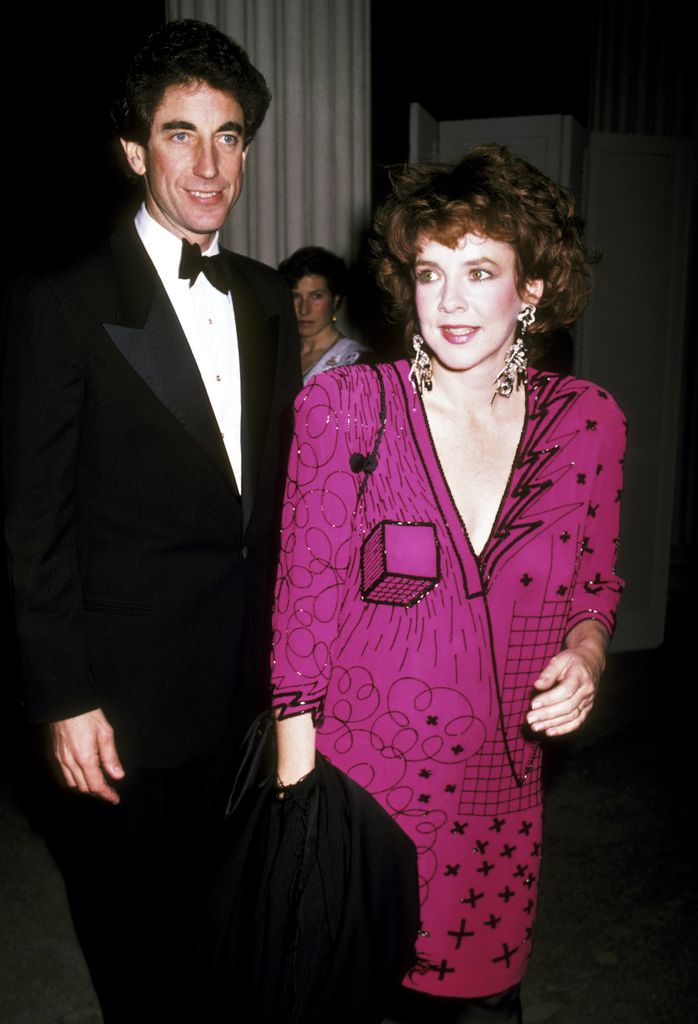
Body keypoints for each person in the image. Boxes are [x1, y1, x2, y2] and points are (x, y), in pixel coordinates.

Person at [270, 145, 626, 1023]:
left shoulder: (586, 425)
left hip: (497, 795)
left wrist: (588, 652)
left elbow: (594, 583)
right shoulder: (347, 409)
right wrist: (298, 805)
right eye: (431, 273)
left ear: (531, 287)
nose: (451, 302)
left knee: (482, 1002)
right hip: (362, 791)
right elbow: (303, 611)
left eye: (480, 271)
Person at [2, 19, 300, 1022]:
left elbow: (274, 507)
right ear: (135, 151)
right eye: (181, 135)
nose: (209, 165)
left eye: (229, 137)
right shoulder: (62, 301)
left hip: (245, 692)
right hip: (122, 703)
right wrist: (63, 695)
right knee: (139, 951)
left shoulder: (267, 298)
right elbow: (32, 522)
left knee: (233, 935)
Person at [278, 245, 371, 381]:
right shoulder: (278, 356)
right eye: (295, 296)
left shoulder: (356, 360)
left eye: (316, 296)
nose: (304, 310)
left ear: (335, 300)